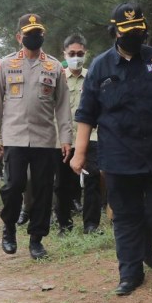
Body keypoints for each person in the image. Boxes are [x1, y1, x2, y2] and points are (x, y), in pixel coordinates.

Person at [70, 2, 152, 296]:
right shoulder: (101, 66)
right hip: (119, 155)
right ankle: (129, 274)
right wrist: (80, 152)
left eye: (138, 30)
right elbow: (86, 114)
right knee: (126, 215)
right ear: (114, 31)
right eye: (127, 31)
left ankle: (143, 246)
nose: (134, 35)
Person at [0, 14, 72, 260]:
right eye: (29, 33)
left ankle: (37, 239)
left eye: (38, 33)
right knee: (13, 186)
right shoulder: (5, 65)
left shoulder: (54, 66)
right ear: (19, 37)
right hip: (14, 137)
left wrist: (66, 138)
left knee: (43, 189)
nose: (34, 37)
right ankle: (9, 230)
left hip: (45, 139)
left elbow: (63, 106)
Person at [54, 33, 103, 235]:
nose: (76, 56)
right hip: (62, 138)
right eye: (72, 53)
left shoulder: (93, 77)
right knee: (62, 183)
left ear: (86, 53)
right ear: (64, 53)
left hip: (91, 136)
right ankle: (64, 224)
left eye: (80, 53)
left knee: (92, 180)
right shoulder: (57, 78)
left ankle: (91, 225)